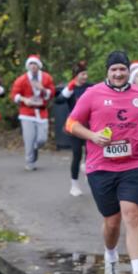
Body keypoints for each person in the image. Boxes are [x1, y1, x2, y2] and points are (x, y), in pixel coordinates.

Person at [67, 50, 138, 274]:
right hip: (101, 167)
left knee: (132, 216)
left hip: (133, 163)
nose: (118, 73)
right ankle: (111, 255)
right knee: (112, 221)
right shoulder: (92, 94)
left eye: (122, 69)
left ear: (128, 71)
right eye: (114, 69)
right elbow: (71, 123)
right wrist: (92, 136)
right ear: (107, 72)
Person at [10, 55, 55, 171]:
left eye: (35, 64)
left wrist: (43, 89)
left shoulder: (46, 78)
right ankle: (30, 162)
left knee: (42, 139)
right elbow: (14, 95)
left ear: (39, 65)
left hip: (42, 112)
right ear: (28, 66)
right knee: (29, 139)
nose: (33, 66)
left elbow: (52, 93)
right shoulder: (22, 79)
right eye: (31, 64)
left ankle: (35, 148)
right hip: (27, 113)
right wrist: (24, 99)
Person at [55, 61, 91, 196]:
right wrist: (68, 90)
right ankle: (74, 185)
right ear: (76, 75)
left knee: (91, 152)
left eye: (86, 74)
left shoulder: (89, 87)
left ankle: (87, 168)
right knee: (77, 154)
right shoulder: (70, 89)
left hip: (89, 125)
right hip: (74, 125)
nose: (85, 76)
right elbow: (58, 101)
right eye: (82, 74)